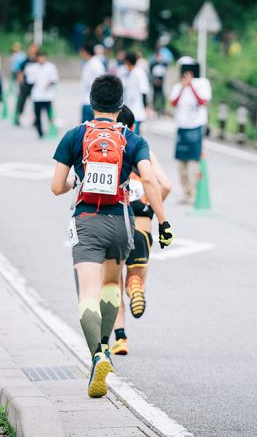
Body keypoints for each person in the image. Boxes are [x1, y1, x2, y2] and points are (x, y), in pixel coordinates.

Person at [51, 74, 174, 398]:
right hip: (122, 222)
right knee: (111, 285)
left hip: (87, 220)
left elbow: (56, 187)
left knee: (87, 294)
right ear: (120, 106)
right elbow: (150, 181)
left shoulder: (75, 136)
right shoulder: (133, 140)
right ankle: (107, 343)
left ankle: (98, 354)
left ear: (92, 103)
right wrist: (163, 222)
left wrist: (74, 182)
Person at [110, 106, 172, 356]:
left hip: (113, 223)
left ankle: (120, 337)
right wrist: (150, 207)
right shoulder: (143, 150)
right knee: (135, 276)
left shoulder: (106, 149)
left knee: (112, 283)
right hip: (142, 227)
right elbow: (165, 185)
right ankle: (136, 286)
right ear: (133, 128)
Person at [169, 57, 212, 204]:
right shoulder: (178, 86)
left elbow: (203, 101)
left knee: (194, 160)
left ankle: (194, 192)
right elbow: (173, 102)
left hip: (197, 125)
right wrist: (183, 86)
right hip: (182, 125)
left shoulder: (202, 83)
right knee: (181, 161)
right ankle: (185, 192)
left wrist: (191, 86)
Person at [28, 51, 59, 138]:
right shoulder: (32, 68)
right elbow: (29, 80)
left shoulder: (51, 67)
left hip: (48, 95)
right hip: (37, 95)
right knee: (37, 115)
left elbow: (55, 78)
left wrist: (49, 83)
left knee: (50, 114)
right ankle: (40, 132)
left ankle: (52, 130)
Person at [123, 52, 150, 135]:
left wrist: (146, 107)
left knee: (134, 137)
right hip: (130, 109)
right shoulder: (131, 73)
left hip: (137, 110)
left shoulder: (139, 73)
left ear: (127, 62)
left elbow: (144, 91)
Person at [79, 43, 106, 123]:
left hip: (92, 102)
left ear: (85, 52)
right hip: (86, 99)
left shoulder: (95, 63)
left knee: (89, 127)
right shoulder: (88, 63)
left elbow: (102, 80)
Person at [14, 43, 39, 126]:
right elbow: (19, 70)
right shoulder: (26, 61)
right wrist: (20, 80)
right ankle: (18, 117)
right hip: (26, 84)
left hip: (35, 85)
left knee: (36, 102)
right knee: (21, 101)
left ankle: (36, 119)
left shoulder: (38, 61)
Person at [150, 51, 168, 116]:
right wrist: (154, 81)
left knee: (161, 95)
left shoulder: (163, 64)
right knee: (155, 95)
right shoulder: (153, 64)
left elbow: (164, 73)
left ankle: (162, 108)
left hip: (161, 81)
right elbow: (151, 73)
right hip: (155, 81)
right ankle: (155, 107)